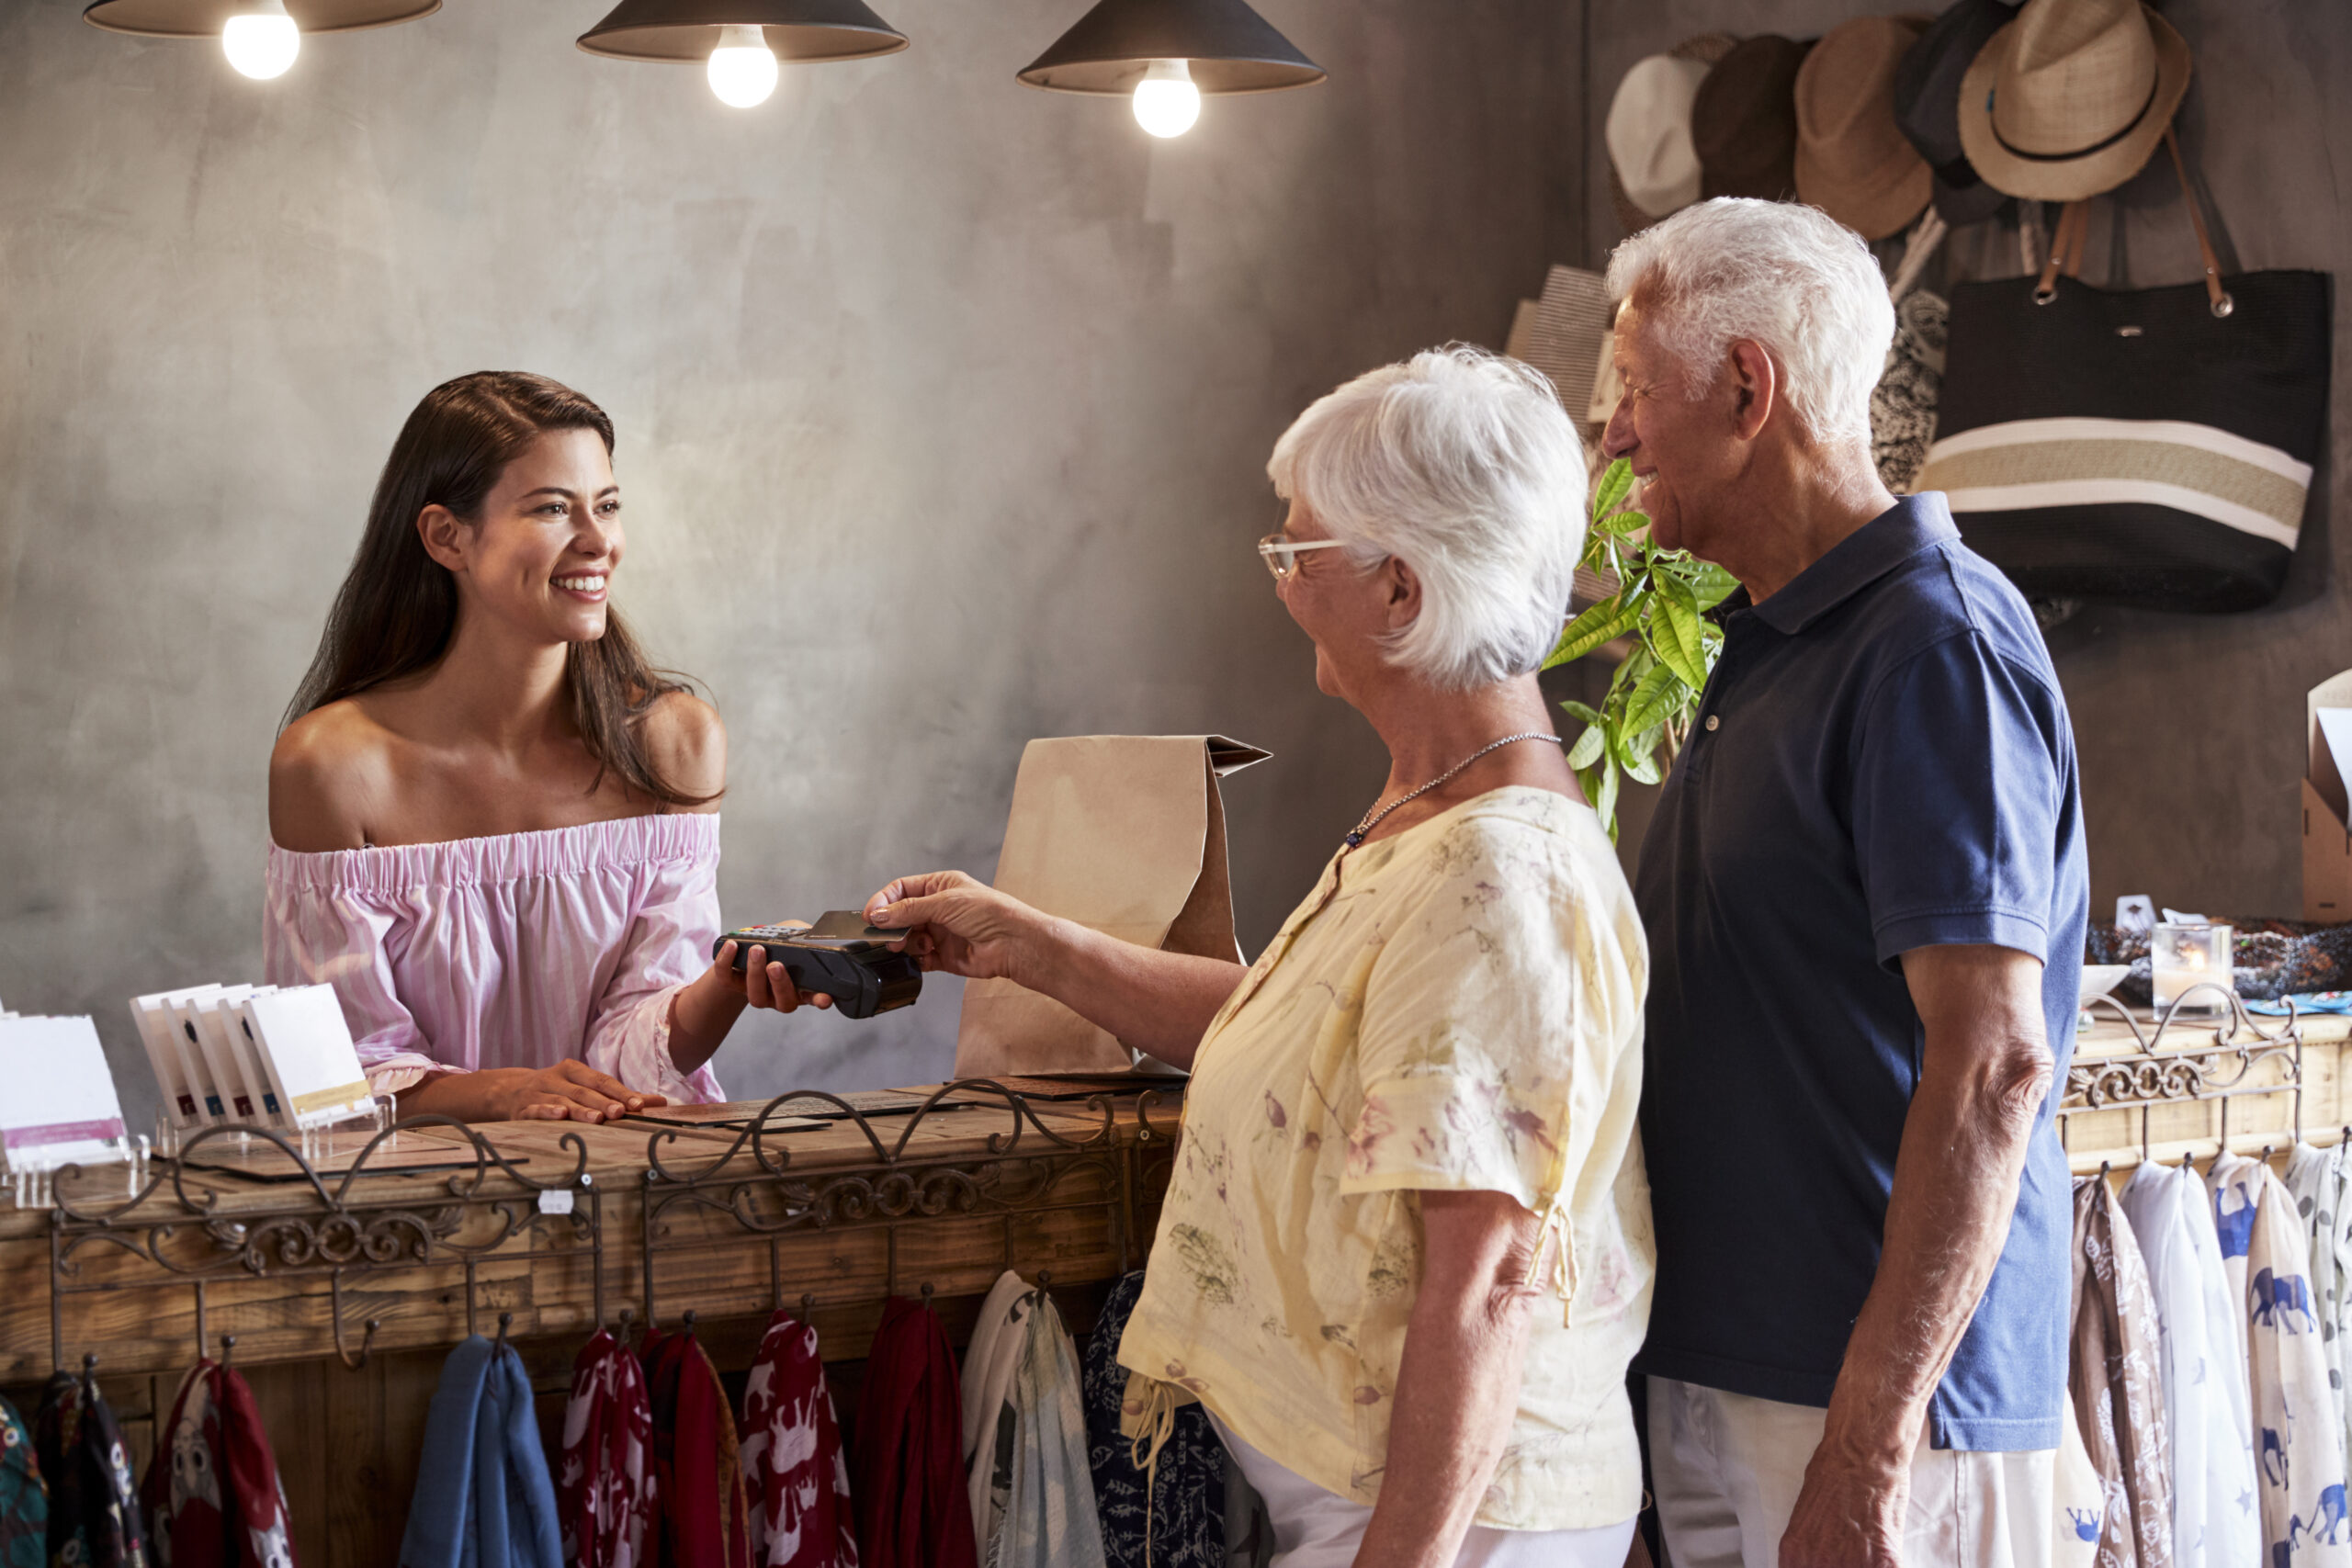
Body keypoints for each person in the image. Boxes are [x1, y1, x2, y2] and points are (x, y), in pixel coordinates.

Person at [855, 346, 1653, 1568]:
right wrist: (1024, 940)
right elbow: (1298, 1029)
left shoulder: (1497, 874)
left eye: (1299, 551)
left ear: (1402, 589)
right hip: (1385, 1495)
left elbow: (1487, 1276)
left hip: (1456, 1519)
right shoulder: (1430, 813)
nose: (1279, 585)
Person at [1604, 197, 2088, 1568]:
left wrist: (1870, 1445)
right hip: (1734, 1379)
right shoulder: (1767, 640)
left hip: (1873, 1420)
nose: (1615, 433)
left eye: (1637, 392)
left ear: (1748, 387)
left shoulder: (1931, 642)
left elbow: (1993, 1061)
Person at [266, 371, 820, 1124]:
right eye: (555, 508)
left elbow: (632, 1048)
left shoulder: (676, 745)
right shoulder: (331, 767)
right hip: (410, 1218)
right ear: (445, 536)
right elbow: (339, 1073)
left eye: (609, 505)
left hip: (624, 1200)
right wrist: (506, 1092)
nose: (599, 543)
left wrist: (724, 985)